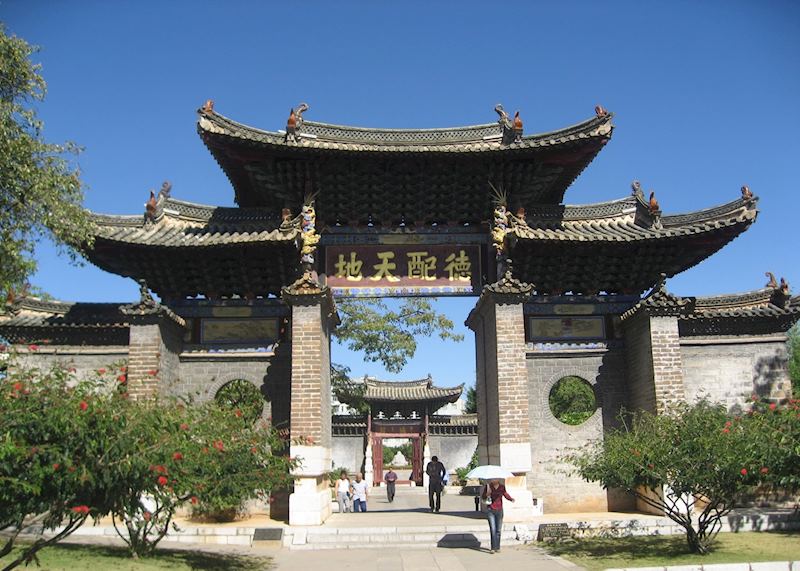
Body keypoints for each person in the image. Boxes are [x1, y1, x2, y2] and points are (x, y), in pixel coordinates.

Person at [481, 479, 515, 553]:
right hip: (490, 510)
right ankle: (493, 548)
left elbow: (505, 494)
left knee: (498, 530)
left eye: (495, 478)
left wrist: (510, 499)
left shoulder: (502, 487)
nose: (494, 480)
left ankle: (497, 547)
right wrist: (487, 494)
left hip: (499, 510)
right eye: (493, 478)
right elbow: (483, 497)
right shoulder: (488, 487)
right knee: (493, 529)